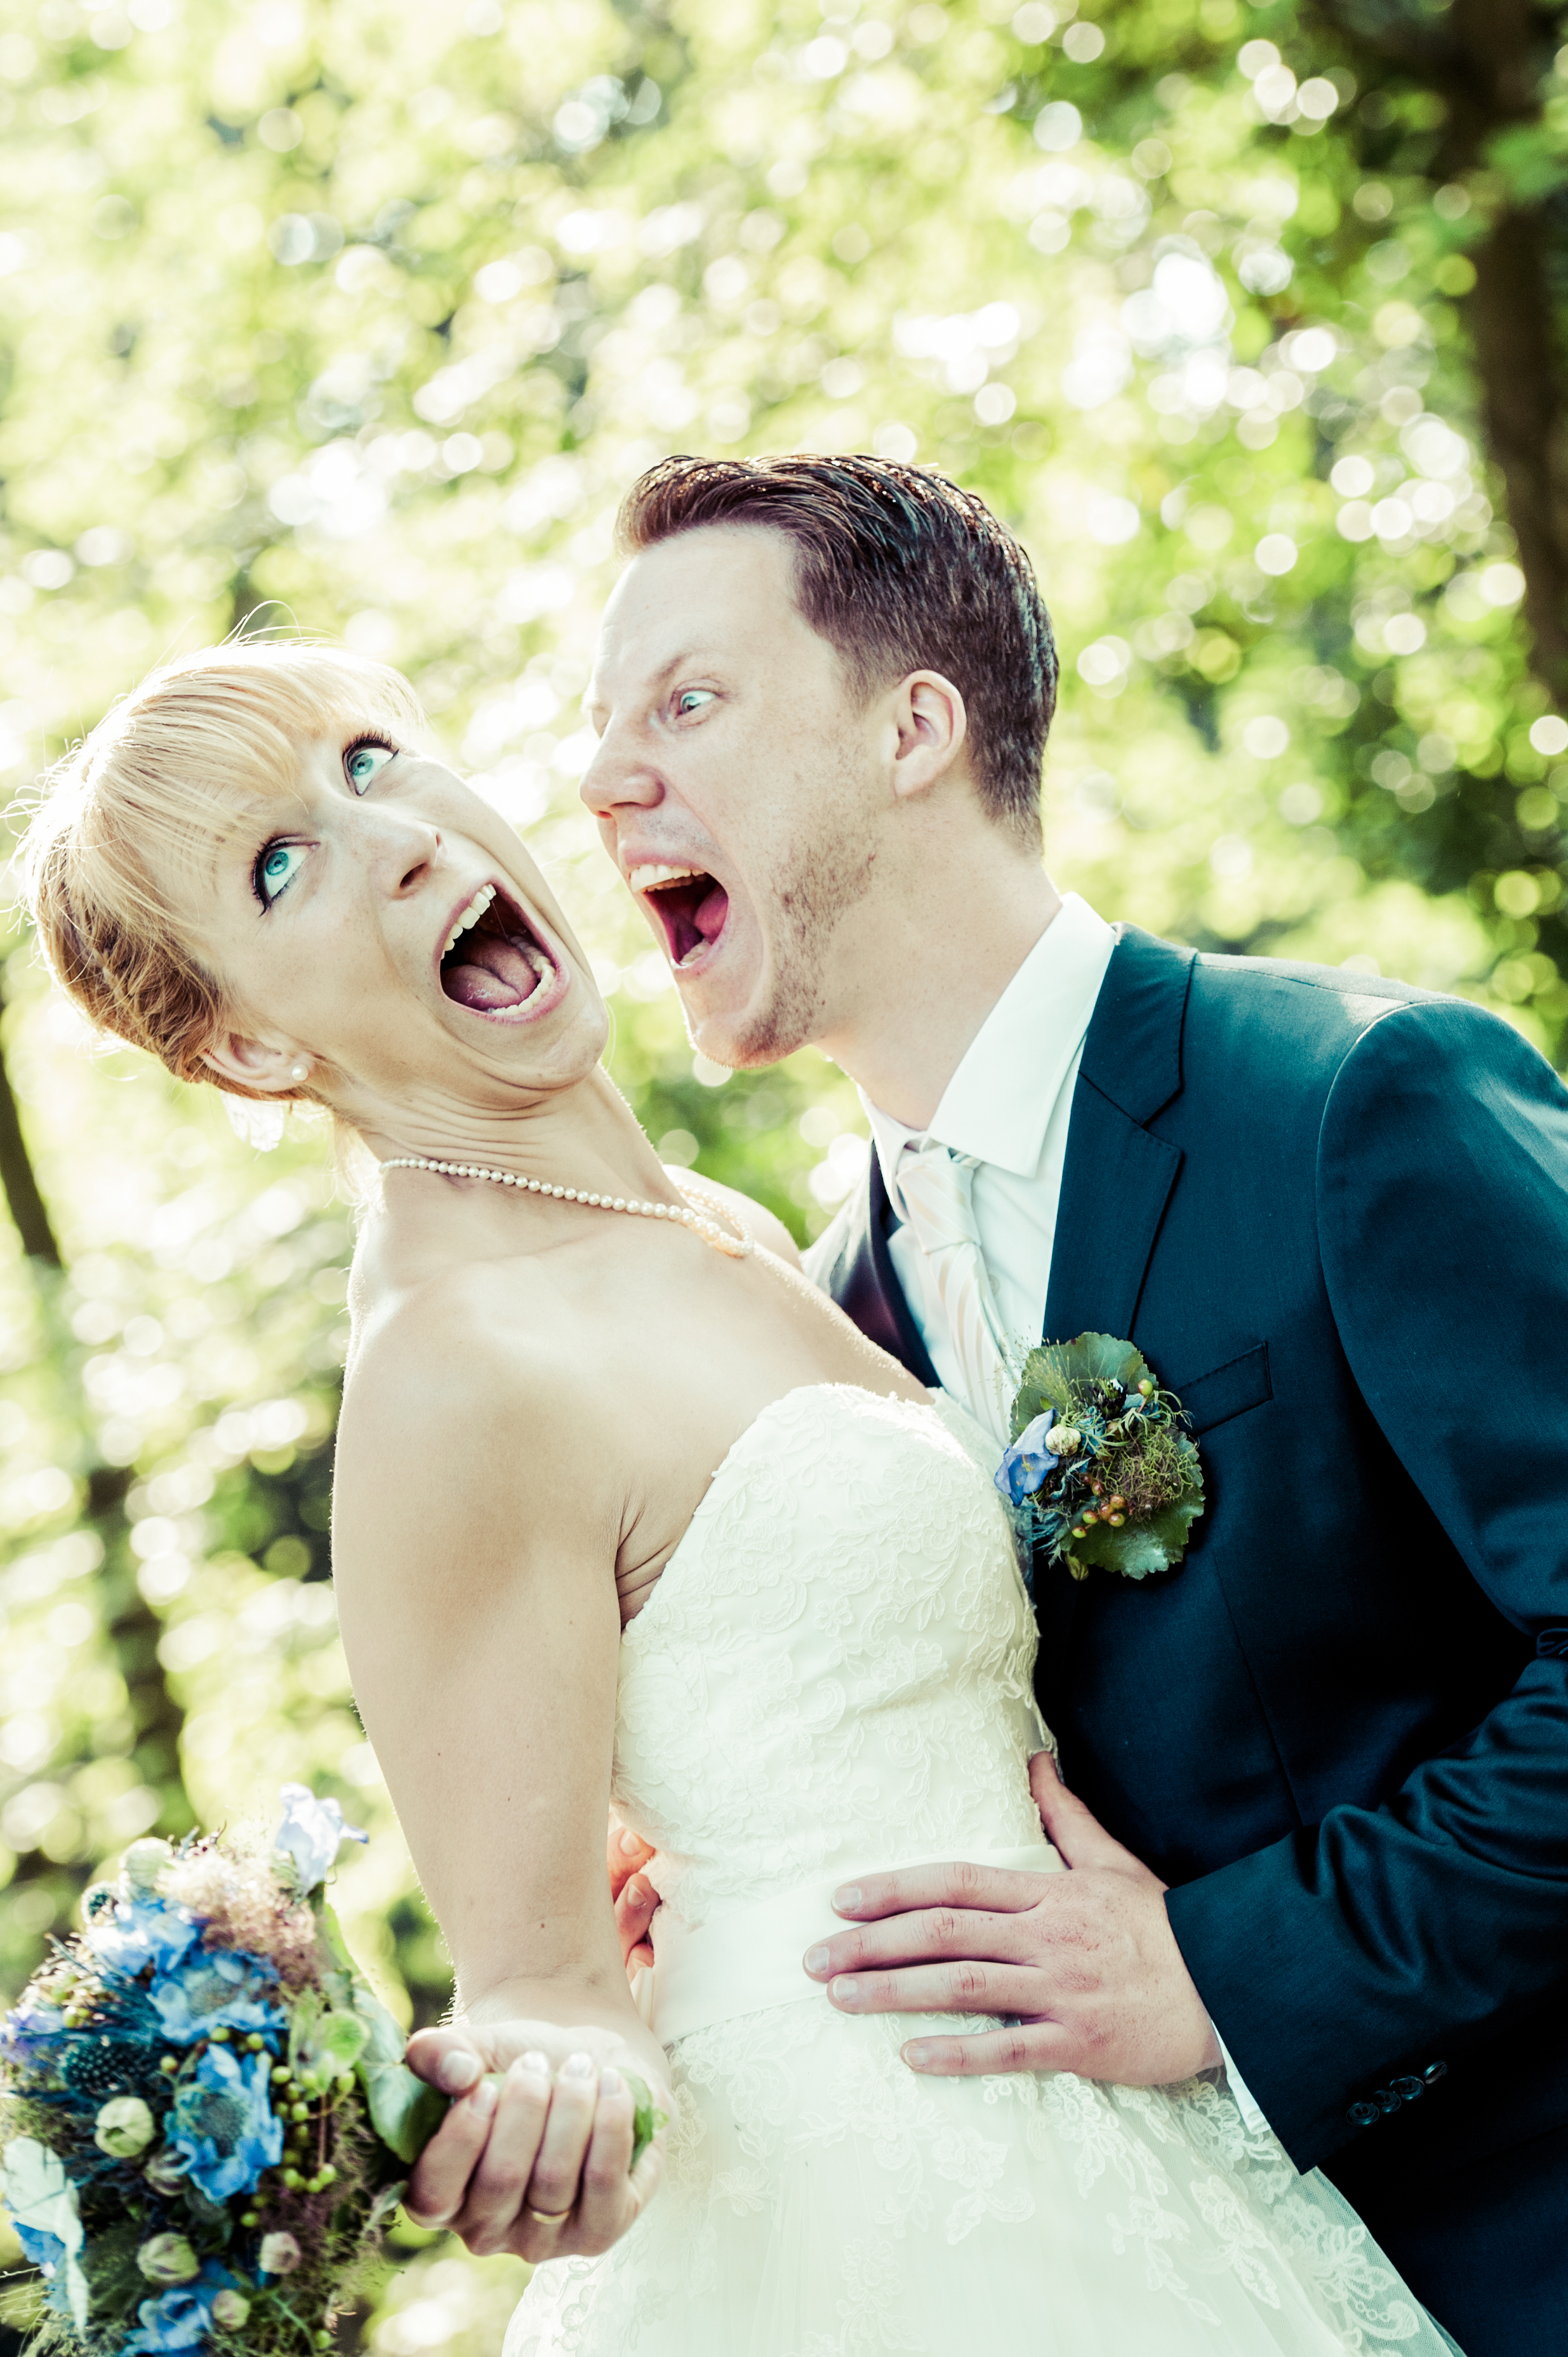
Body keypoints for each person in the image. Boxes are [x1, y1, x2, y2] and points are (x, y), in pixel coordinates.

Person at [25, 641, 1458, 2357]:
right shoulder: (454, 1367)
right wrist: (550, 2103)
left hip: (1101, 2101)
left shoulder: (711, 1220)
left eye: (369, 757)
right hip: (876, 2211)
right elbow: (547, 1987)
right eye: (278, 865)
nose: (393, 837)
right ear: (253, 1047)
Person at [581, 453, 1568, 2357]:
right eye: (602, 728)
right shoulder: (816, 1335)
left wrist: (1231, 1970)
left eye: (686, 703)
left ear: (913, 731)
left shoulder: (1354, 1099)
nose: (606, 781)